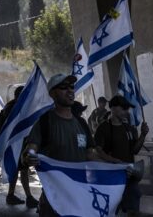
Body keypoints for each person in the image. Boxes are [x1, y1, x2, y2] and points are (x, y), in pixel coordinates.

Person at [24, 73, 98, 216]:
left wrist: (120, 167)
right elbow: (30, 150)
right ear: (52, 93)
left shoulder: (82, 123)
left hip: (79, 195)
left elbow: (91, 156)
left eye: (71, 87)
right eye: (64, 87)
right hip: (54, 199)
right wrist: (29, 156)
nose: (70, 90)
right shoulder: (44, 122)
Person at [94, 95, 149, 217]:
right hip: (111, 178)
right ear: (113, 108)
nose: (126, 111)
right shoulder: (103, 128)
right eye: (123, 108)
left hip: (130, 177)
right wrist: (114, 161)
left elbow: (135, 150)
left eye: (127, 108)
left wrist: (143, 135)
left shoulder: (129, 128)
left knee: (133, 211)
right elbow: (98, 151)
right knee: (112, 211)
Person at [0, 86, 39, 207]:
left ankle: (13, 195)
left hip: (18, 142)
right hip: (14, 143)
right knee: (21, 169)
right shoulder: (12, 107)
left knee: (21, 169)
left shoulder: (15, 106)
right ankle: (24, 197)